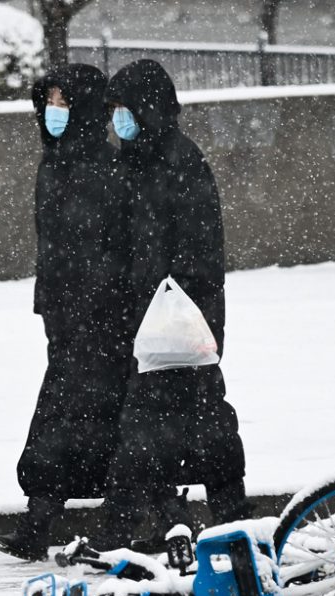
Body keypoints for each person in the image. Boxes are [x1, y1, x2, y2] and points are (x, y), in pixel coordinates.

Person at [96, 59, 250, 549]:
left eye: (126, 108)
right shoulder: (135, 161)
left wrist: (171, 303)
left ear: (149, 108)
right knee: (164, 423)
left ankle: (139, 528)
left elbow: (199, 250)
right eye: (114, 109)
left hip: (180, 318)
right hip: (148, 319)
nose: (120, 119)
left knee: (182, 419)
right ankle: (177, 521)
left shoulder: (182, 162)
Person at [0, 63, 132, 561]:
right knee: (76, 417)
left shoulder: (109, 168)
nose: (54, 112)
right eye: (50, 101)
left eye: (65, 102)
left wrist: (95, 306)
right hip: (66, 318)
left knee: (83, 417)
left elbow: (112, 249)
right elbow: (55, 245)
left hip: (103, 321)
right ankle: (59, 520)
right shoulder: (54, 162)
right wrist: (52, 305)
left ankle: (53, 520)